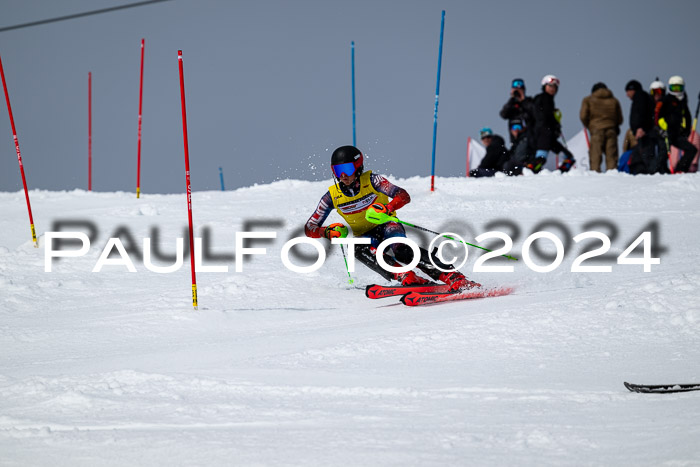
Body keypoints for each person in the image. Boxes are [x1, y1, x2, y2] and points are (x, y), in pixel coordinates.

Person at [305, 145, 480, 292]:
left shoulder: (373, 180)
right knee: (356, 249)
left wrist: (389, 207)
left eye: (347, 170)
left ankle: (453, 276)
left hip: (387, 225)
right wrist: (326, 232)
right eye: (337, 171)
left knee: (400, 249)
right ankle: (405, 276)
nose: (343, 176)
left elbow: (403, 195)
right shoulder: (332, 196)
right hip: (364, 236)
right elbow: (310, 227)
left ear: (358, 167)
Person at [531, 75, 576, 173]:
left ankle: (558, 174)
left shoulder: (543, 99)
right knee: (541, 159)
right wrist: (555, 125)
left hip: (545, 134)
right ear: (544, 86)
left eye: (555, 87)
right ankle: (529, 172)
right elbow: (544, 116)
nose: (553, 89)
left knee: (568, 158)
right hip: (545, 134)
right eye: (550, 86)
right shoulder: (545, 98)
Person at [625, 79, 666, 174]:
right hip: (646, 132)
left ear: (632, 90)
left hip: (645, 133)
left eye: (628, 91)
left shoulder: (640, 96)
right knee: (643, 155)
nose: (627, 95)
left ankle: (651, 173)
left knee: (646, 155)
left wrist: (640, 128)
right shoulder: (643, 98)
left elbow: (641, 113)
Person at [579, 82, 623, 172]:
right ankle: (612, 177)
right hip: (611, 130)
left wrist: (590, 126)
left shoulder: (588, 100)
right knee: (611, 157)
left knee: (595, 156)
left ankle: (595, 179)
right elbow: (620, 119)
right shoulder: (614, 101)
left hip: (596, 131)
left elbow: (583, 116)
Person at [659, 75, 697, 173]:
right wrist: (662, 129)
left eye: (678, 88)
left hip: (677, 134)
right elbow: (658, 116)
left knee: (691, 150)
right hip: (666, 133)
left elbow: (687, 117)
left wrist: (686, 131)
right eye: (674, 88)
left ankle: (680, 170)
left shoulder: (683, 101)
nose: (676, 90)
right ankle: (658, 173)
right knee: (663, 155)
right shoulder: (666, 100)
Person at [500, 78, 536, 145]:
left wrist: (523, 100)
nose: (517, 91)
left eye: (519, 89)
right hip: (514, 140)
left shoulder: (529, 101)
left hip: (529, 138)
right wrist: (512, 99)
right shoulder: (511, 103)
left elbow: (533, 113)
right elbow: (503, 114)